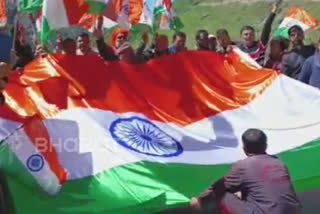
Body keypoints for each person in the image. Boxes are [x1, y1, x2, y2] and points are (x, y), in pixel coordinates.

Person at [190, 129, 302, 214]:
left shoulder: (243, 166)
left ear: (245, 149)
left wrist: (200, 200)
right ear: (266, 146)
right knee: (249, 189)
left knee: (223, 194)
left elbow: (219, 186)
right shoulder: (279, 163)